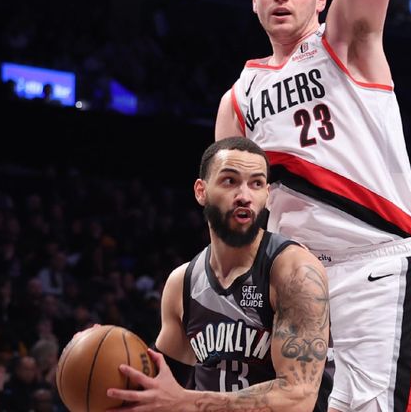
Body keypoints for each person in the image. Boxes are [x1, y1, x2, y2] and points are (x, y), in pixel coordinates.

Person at [214, 0, 411, 411]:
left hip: (377, 262)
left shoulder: (347, 41)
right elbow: (233, 214)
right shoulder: (237, 98)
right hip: (295, 280)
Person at [106, 136, 331, 412]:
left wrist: (187, 401)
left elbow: (298, 398)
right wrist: (107, 353)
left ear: (267, 196)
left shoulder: (295, 271)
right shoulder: (183, 283)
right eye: (230, 181)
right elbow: (157, 387)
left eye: (256, 183)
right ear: (201, 191)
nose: (244, 196)